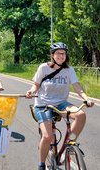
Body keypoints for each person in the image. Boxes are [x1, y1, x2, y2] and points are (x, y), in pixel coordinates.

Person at [25, 42, 94, 170]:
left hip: (61, 103)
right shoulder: (43, 68)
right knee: (47, 136)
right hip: (43, 105)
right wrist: (31, 91)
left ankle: (69, 143)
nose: (61, 56)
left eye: (63, 53)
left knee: (81, 115)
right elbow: (36, 85)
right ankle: (41, 164)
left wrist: (86, 99)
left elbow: (77, 87)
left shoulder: (69, 70)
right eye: (58, 53)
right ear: (52, 55)